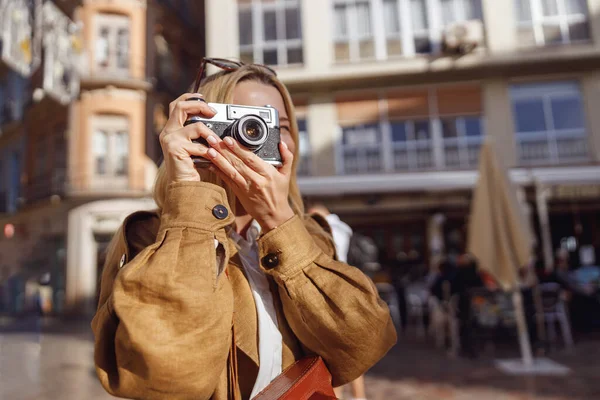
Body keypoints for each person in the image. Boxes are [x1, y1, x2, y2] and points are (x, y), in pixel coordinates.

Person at [91, 58, 396, 400]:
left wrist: (280, 222)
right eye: (243, 124)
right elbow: (163, 373)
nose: (259, 137)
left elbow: (365, 343)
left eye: (276, 126)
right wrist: (190, 198)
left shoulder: (313, 234)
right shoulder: (152, 237)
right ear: (201, 131)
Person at [307, 203, 368, 400]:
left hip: (332, 292)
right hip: (348, 292)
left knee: (333, 356)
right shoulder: (344, 230)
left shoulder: (324, 228)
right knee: (351, 353)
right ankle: (359, 397)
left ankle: (341, 396)